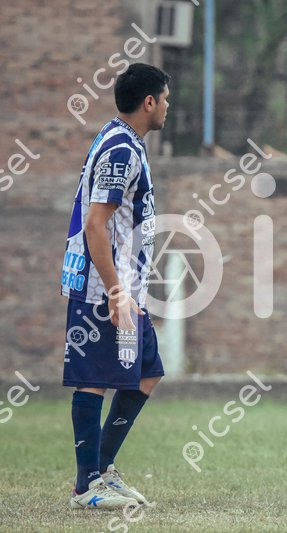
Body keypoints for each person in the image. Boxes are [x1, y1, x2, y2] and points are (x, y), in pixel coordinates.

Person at [61, 63, 170, 510]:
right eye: (165, 99)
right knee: (94, 379)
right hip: (104, 289)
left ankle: (101, 469)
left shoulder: (125, 140)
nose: (167, 107)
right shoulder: (121, 149)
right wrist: (115, 292)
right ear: (149, 102)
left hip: (126, 288)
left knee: (147, 372)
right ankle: (87, 486)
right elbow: (95, 224)